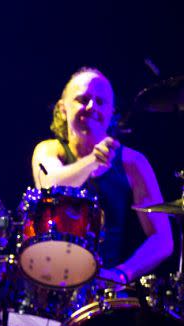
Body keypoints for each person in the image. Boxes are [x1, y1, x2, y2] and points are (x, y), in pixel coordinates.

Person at [31, 67, 173, 283]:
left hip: (102, 293)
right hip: (46, 282)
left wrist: (123, 273)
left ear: (112, 112)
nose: (91, 107)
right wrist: (92, 161)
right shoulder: (49, 150)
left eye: (100, 102)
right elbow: (50, 186)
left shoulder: (133, 162)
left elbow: (163, 239)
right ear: (62, 109)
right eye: (82, 99)